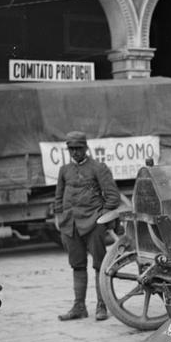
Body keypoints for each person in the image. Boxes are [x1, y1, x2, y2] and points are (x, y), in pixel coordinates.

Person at [54, 131, 121, 321]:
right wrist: (61, 216)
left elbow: (113, 197)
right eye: (71, 149)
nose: (75, 152)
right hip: (71, 226)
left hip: (93, 225)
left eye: (78, 148)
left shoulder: (98, 168)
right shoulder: (64, 170)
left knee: (100, 265)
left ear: (86, 148)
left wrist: (99, 217)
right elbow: (58, 197)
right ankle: (79, 307)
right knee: (77, 265)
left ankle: (102, 306)